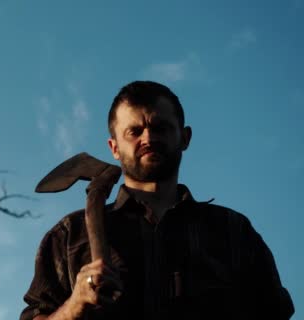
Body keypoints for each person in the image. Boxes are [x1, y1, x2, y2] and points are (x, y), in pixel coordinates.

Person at [20, 81, 294, 320]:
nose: (148, 138)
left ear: (184, 138)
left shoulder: (232, 232)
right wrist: (75, 304)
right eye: (134, 131)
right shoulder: (70, 236)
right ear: (114, 147)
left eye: (160, 128)